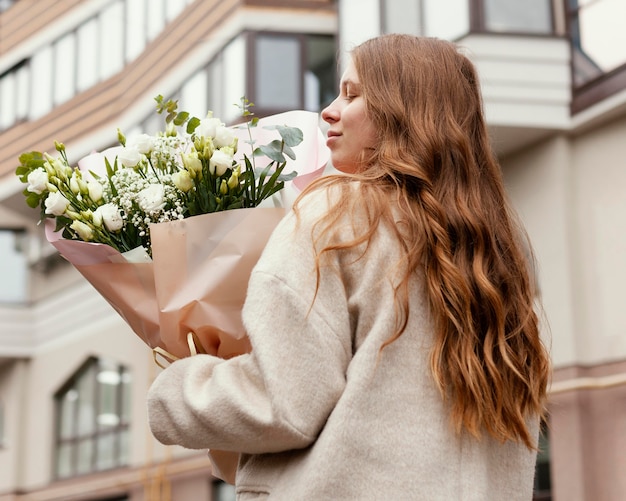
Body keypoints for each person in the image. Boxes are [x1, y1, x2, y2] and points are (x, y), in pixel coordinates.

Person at [147, 34, 551, 500]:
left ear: (403, 109)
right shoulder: (495, 257)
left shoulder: (339, 213)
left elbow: (286, 402)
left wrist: (175, 390)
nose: (329, 111)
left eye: (353, 94)